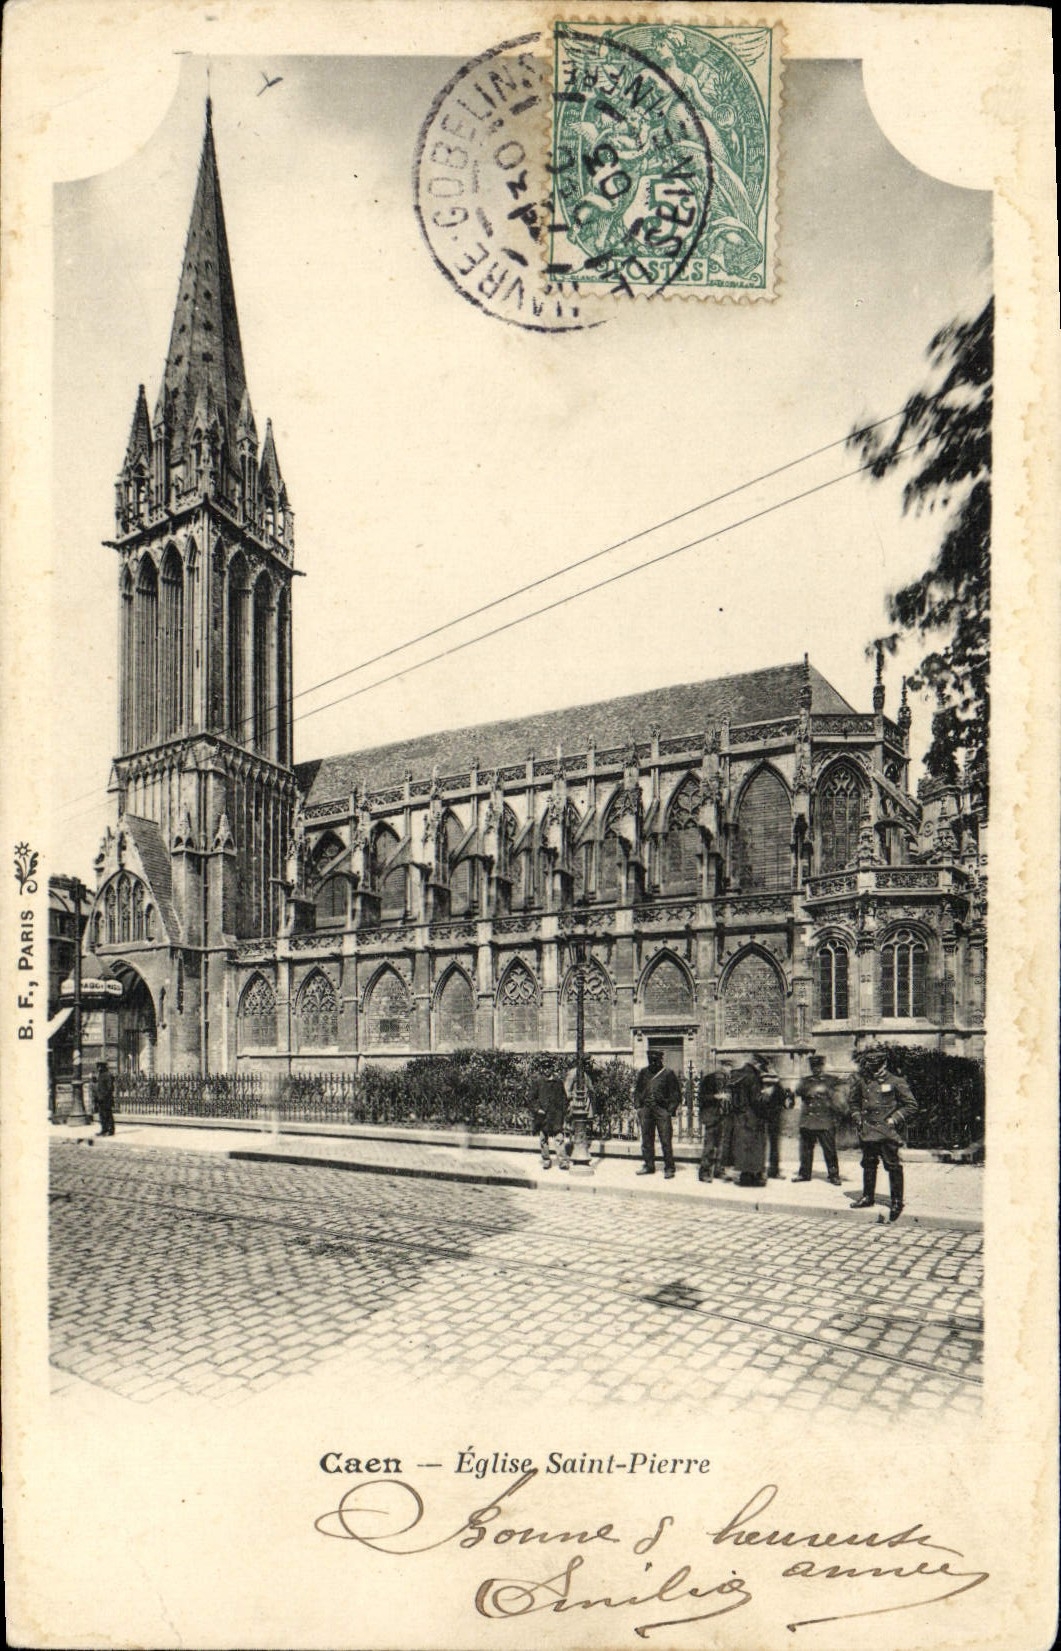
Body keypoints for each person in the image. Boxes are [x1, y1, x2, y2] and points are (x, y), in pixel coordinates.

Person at [847, 1046, 919, 1221]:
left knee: (892, 1166)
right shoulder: (862, 1082)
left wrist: (894, 1119)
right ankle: (868, 1197)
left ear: (884, 1063)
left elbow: (911, 1105)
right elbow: (853, 1102)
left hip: (887, 1132)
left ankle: (896, 1201)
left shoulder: (896, 1081)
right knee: (868, 1164)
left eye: (877, 1066)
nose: (874, 1070)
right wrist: (857, 1117)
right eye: (871, 1067)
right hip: (868, 1131)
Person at [791, 1052, 845, 1185]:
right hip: (808, 1121)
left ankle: (833, 1175)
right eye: (813, 1067)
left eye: (818, 1066)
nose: (816, 1069)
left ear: (822, 1066)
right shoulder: (805, 1081)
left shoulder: (832, 1080)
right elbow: (797, 1091)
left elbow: (844, 1089)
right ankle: (804, 1174)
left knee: (829, 1150)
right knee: (806, 1149)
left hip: (825, 1120)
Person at [635, 1050, 682, 1178]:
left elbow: (676, 1095)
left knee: (665, 1139)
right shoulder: (643, 1073)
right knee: (646, 1139)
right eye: (651, 1060)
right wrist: (638, 1108)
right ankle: (649, 1165)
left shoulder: (668, 1074)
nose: (653, 1063)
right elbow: (638, 1091)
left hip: (662, 1110)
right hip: (646, 1110)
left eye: (656, 1060)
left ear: (660, 1060)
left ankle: (669, 1168)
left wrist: (669, 1111)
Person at [728, 1051, 771, 1186]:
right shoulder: (753, 1077)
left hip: (739, 1117)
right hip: (753, 1117)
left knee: (743, 1148)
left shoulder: (736, 1074)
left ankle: (744, 1177)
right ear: (757, 1064)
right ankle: (753, 1178)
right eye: (761, 1067)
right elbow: (756, 1100)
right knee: (755, 1147)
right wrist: (766, 1095)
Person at [697, 1065, 732, 1183]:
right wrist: (716, 1096)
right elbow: (701, 1098)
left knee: (722, 1147)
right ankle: (704, 1173)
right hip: (711, 1117)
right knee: (709, 1146)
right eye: (727, 1068)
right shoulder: (708, 1080)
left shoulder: (728, 1081)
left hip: (723, 1117)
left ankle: (719, 1170)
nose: (728, 1072)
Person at [531, 1071, 570, 1170]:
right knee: (543, 1139)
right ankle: (546, 1160)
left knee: (559, 1139)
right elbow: (532, 1098)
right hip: (543, 1116)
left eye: (548, 1067)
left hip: (556, 1116)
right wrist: (537, 1109)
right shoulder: (538, 1082)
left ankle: (563, 1162)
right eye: (544, 1067)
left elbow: (564, 1098)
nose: (546, 1070)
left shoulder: (558, 1083)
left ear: (551, 1068)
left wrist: (562, 1111)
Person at [761, 1063, 794, 1178]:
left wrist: (789, 1097)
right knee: (765, 1144)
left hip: (772, 1118)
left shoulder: (777, 1085)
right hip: (765, 1117)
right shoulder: (762, 1082)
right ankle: (764, 1170)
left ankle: (772, 1170)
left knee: (773, 1145)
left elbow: (786, 1103)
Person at [94, 1060, 115, 1137]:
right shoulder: (100, 1075)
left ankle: (110, 1130)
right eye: (98, 1066)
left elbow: (110, 1088)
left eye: (99, 1066)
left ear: (103, 1066)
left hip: (106, 1099)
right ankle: (104, 1129)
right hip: (100, 1099)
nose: (98, 1068)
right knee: (102, 1115)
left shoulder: (108, 1075)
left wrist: (104, 1096)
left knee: (108, 1115)